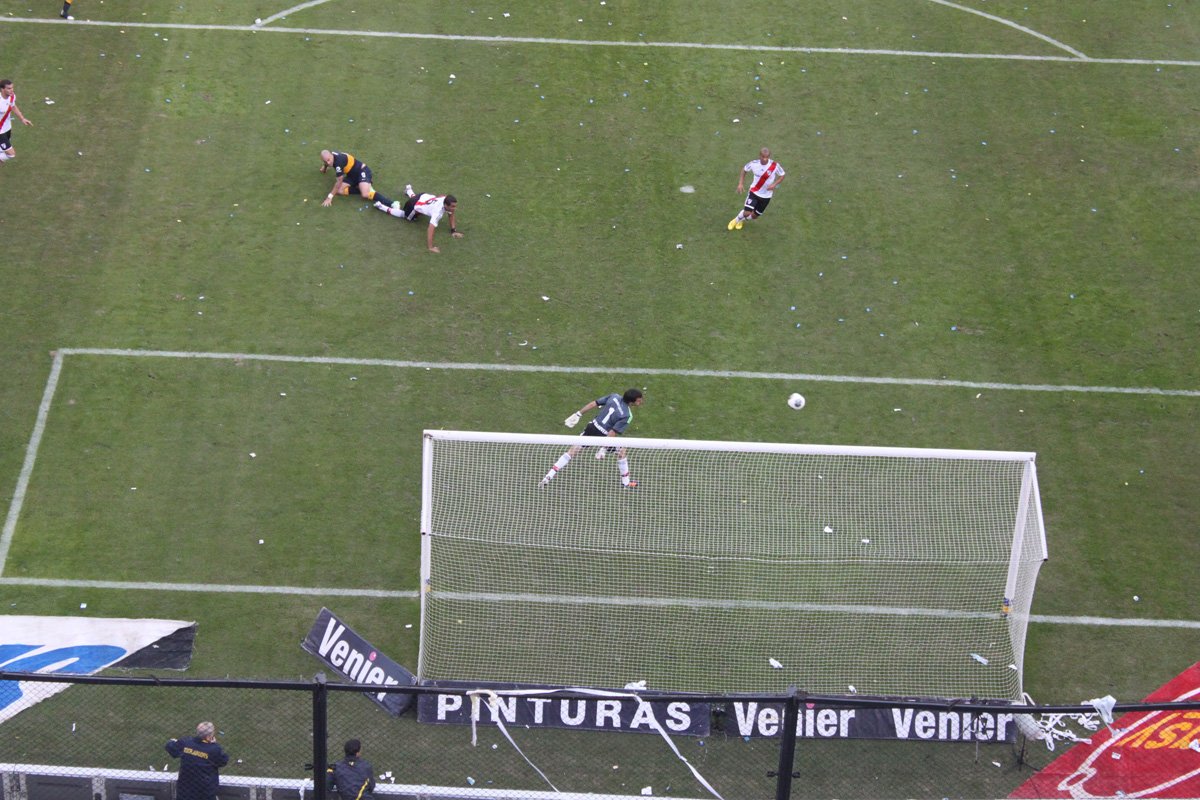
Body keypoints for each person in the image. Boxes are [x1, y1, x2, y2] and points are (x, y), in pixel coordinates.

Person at [540, 389, 644, 489]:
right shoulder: (627, 415)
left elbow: (593, 404)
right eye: (639, 400)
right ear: (632, 401)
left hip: (592, 427)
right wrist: (603, 449)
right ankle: (626, 482)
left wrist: (578, 414)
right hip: (604, 435)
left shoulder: (614, 396)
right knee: (622, 450)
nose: (641, 401)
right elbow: (612, 432)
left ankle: (549, 476)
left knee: (572, 451)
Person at [374, 184, 464, 253]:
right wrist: (431, 247)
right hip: (413, 206)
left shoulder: (445, 198)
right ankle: (381, 206)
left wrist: (453, 231)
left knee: (419, 201)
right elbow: (430, 229)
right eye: (452, 206)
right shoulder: (437, 213)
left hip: (422, 196)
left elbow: (450, 213)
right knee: (405, 216)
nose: (454, 208)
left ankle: (409, 190)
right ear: (445, 205)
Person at [165, 721, 229, 800]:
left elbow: (170, 747)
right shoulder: (214, 749)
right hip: (205, 791)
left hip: (185, 790)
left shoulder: (186, 742)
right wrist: (213, 744)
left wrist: (172, 741)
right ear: (209, 736)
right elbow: (223, 761)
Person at [728, 147, 785, 230]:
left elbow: (782, 175)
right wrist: (740, 183)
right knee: (747, 212)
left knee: (755, 216)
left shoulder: (774, 165)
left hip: (766, 196)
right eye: (763, 157)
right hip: (754, 192)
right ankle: (735, 220)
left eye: (767, 157)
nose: (765, 159)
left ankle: (741, 220)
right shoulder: (753, 164)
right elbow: (744, 170)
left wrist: (774, 184)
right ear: (759, 156)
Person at [319, 149, 396, 209]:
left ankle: (392, 203)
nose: (328, 163)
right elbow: (326, 161)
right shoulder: (332, 154)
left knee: (365, 194)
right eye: (325, 161)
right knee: (339, 191)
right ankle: (362, 187)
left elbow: (339, 182)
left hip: (362, 171)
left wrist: (329, 197)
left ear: (331, 155)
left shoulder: (338, 163)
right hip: (351, 175)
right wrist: (324, 168)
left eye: (329, 160)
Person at [0, 80, 32, 164]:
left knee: (2, 153)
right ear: (2, 89)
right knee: (11, 154)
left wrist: (22, 118)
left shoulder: (12, 96)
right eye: (9, 88)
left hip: (7, 128)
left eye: (12, 88)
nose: (12, 90)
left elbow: (13, 106)